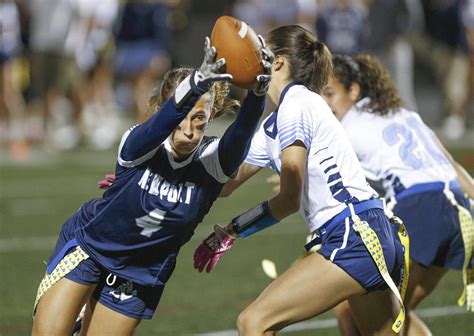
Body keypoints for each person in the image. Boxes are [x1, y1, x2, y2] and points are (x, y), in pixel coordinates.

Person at [32, 36, 273, 335]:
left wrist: (258, 92)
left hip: (139, 274)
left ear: (211, 115)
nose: (188, 131)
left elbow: (240, 137)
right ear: (164, 110)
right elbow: (159, 126)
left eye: (199, 118)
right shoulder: (139, 142)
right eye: (181, 117)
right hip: (90, 248)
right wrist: (197, 83)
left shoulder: (213, 162)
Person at [194, 25, 407, 335]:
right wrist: (165, 165)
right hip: (367, 232)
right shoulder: (274, 122)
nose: (253, 58)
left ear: (278, 63)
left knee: (253, 322)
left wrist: (234, 229)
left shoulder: (297, 103)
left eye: (261, 51)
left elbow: (289, 200)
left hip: (352, 234)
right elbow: (224, 181)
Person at [321, 54, 474, 335]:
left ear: (353, 90)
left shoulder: (346, 128)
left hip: (421, 209)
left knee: (352, 312)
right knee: (397, 317)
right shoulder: (405, 114)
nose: (325, 103)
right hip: (461, 213)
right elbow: (450, 164)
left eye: (329, 93)